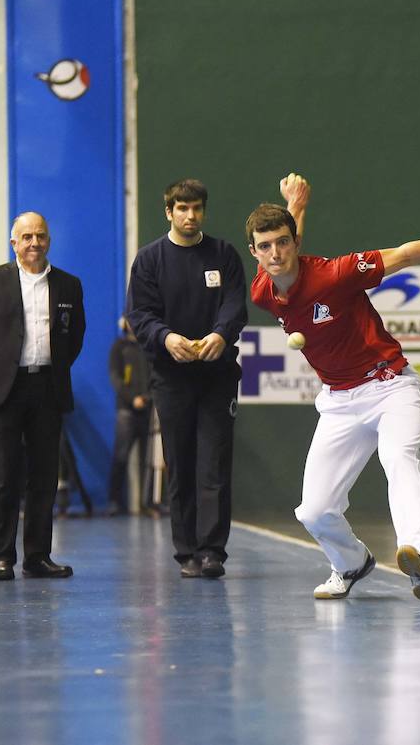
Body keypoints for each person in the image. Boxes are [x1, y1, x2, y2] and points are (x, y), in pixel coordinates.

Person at [247, 173, 420, 601]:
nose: (275, 252)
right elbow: (285, 238)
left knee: (398, 456)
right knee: (314, 510)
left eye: (283, 242)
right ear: (255, 253)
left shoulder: (337, 273)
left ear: (294, 242)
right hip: (338, 403)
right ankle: (351, 561)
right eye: (265, 246)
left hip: (392, 387)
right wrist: (296, 202)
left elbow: (407, 254)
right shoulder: (262, 291)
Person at [125, 179, 247, 579]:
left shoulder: (224, 254)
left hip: (217, 376)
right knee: (180, 463)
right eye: (182, 208)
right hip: (171, 379)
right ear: (169, 212)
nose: (190, 216)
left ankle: (213, 551)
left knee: (214, 463)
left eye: (196, 208)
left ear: (203, 212)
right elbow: (140, 314)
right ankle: (186, 553)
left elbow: (234, 304)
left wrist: (219, 335)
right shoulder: (149, 260)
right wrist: (167, 338)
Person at [0, 212, 85, 581]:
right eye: (26, 237)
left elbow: (74, 336)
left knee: (44, 478)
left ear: (49, 241)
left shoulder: (68, 285)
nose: (34, 243)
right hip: (4, 393)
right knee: (2, 476)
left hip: (47, 389)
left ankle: (37, 557)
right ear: (14, 243)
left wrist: (55, 368)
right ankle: (0, 557)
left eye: (41, 236)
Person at [106, 317, 154, 516]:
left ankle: (145, 503)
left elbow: (154, 376)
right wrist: (132, 398)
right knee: (121, 456)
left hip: (146, 410)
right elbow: (115, 377)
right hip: (126, 411)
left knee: (146, 459)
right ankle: (114, 502)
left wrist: (148, 398)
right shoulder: (119, 347)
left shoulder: (148, 348)